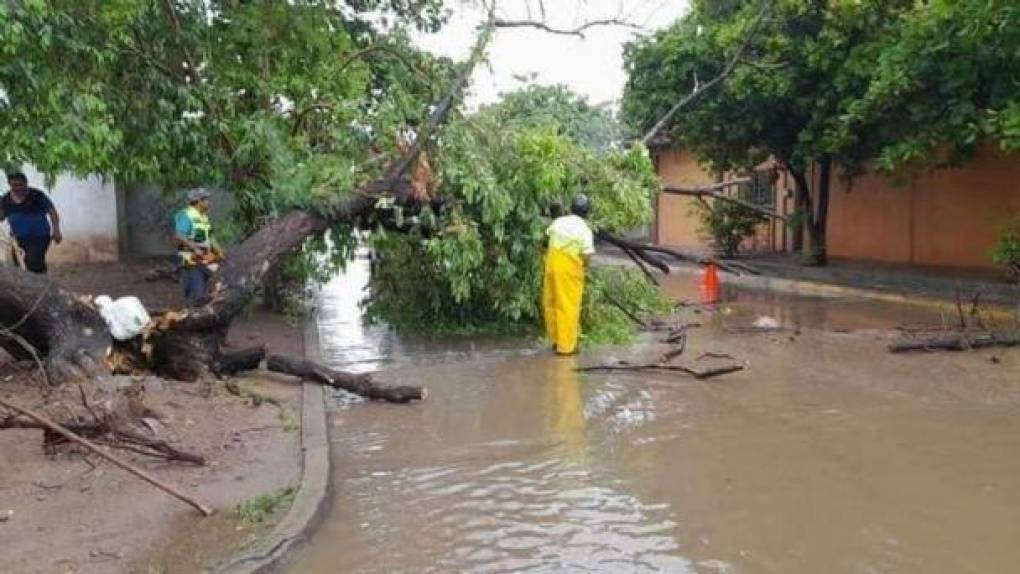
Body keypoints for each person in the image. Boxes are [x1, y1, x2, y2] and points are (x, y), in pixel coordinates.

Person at [542, 194, 595, 355]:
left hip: (551, 265)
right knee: (568, 306)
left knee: (551, 302)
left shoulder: (558, 222)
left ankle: (556, 340)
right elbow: (586, 254)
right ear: (587, 212)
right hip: (569, 270)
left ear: (571, 208)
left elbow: (546, 239)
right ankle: (566, 347)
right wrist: (585, 266)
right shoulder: (584, 230)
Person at [0, 171, 62, 273]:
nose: (18, 188)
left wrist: (56, 230)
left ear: (26, 183)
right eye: (14, 185)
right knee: (19, 263)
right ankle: (35, 283)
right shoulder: (5, 199)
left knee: (32, 261)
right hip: (18, 238)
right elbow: (1, 217)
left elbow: (52, 212)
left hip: (40, 236)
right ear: (10, 185)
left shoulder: (37, 195)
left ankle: (40, 284)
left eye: (20, 185)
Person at [173, 188, 222, 304]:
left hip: (204, 260)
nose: (210, 202)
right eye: (207, 200)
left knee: (206, 291)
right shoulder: (186, 215)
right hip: (191, 261)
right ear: (199, 201)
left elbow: (210, 237)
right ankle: (191, 315)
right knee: (196, 294)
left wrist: (219, 251)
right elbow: (179, 235)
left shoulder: (203, 217)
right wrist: (195, 248)